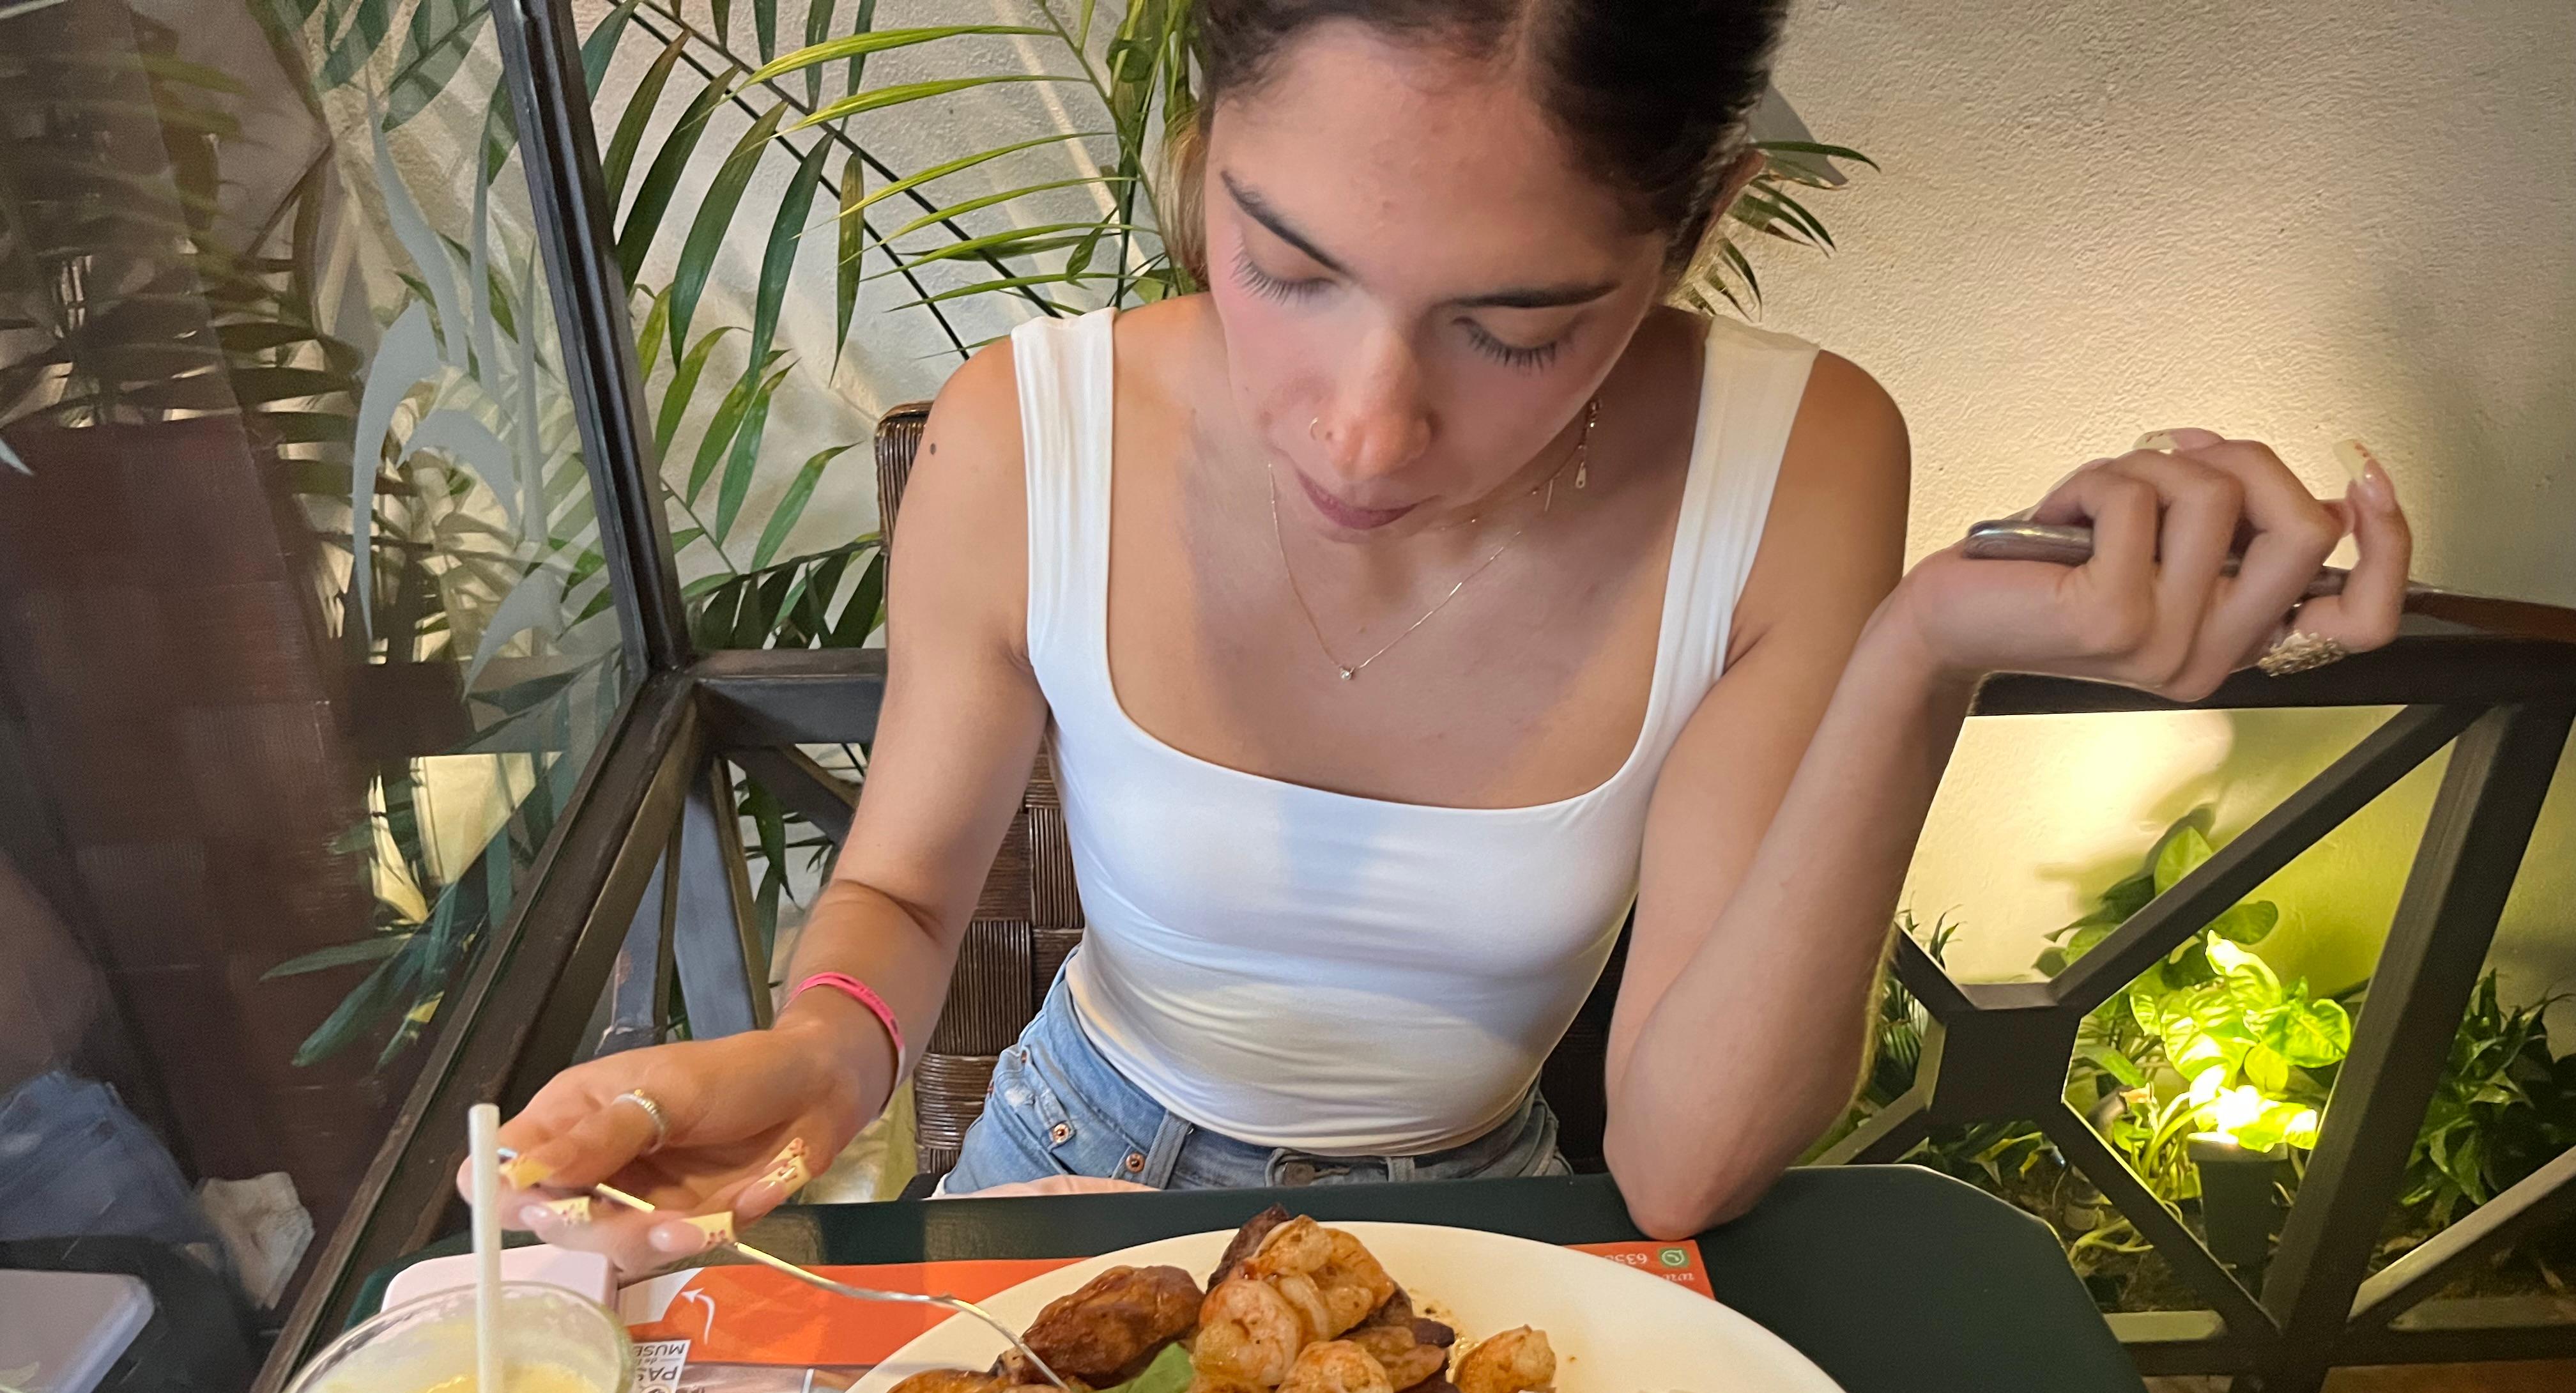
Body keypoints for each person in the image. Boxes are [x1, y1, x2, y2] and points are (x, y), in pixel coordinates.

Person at [486, 0, 2409, 1273]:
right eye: (1287, 267)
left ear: (1703, 221)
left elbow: (1677, 1167)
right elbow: (902, 896)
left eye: (1516, 327)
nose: (1364, 427)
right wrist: (832, 1058)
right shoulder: (1026, 437)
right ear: (1197, 149)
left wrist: (1920, 662)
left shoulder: (1796, 465)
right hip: (1070, 1177)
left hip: (1490, 1226)